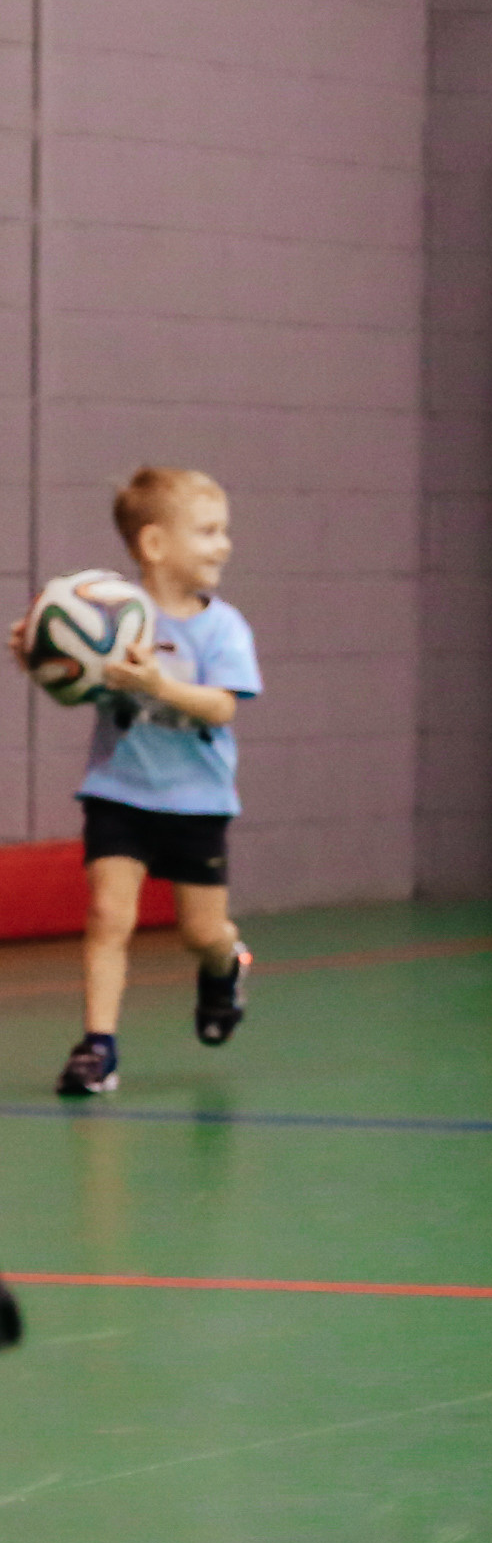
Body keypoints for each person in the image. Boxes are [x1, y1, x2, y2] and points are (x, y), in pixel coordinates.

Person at [9, 466, 262, 1096]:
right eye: (206, 531)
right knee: (106, 915)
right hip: (118, 792)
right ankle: (98, 1046)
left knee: (201, 932)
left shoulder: (222, 627)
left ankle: (225, 966)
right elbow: (76, 685)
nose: (222, 544)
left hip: (198, 801)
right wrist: (40, 653)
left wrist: (160, 685)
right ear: (154, 545)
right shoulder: (104, 616)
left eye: (222, 530)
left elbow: (223, 707)